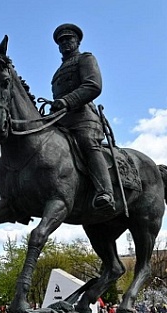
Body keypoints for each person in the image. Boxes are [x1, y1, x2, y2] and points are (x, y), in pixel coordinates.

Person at [49, 23, 113, 212]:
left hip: (84, 118)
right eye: (61, 41)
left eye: (69, 39)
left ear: (77, 41)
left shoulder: (85, 59)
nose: (65, 43)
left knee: (87, 142)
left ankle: (105, 191)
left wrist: (67, 101)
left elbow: (93, 86)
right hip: (62, 120)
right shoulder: (58, 71)